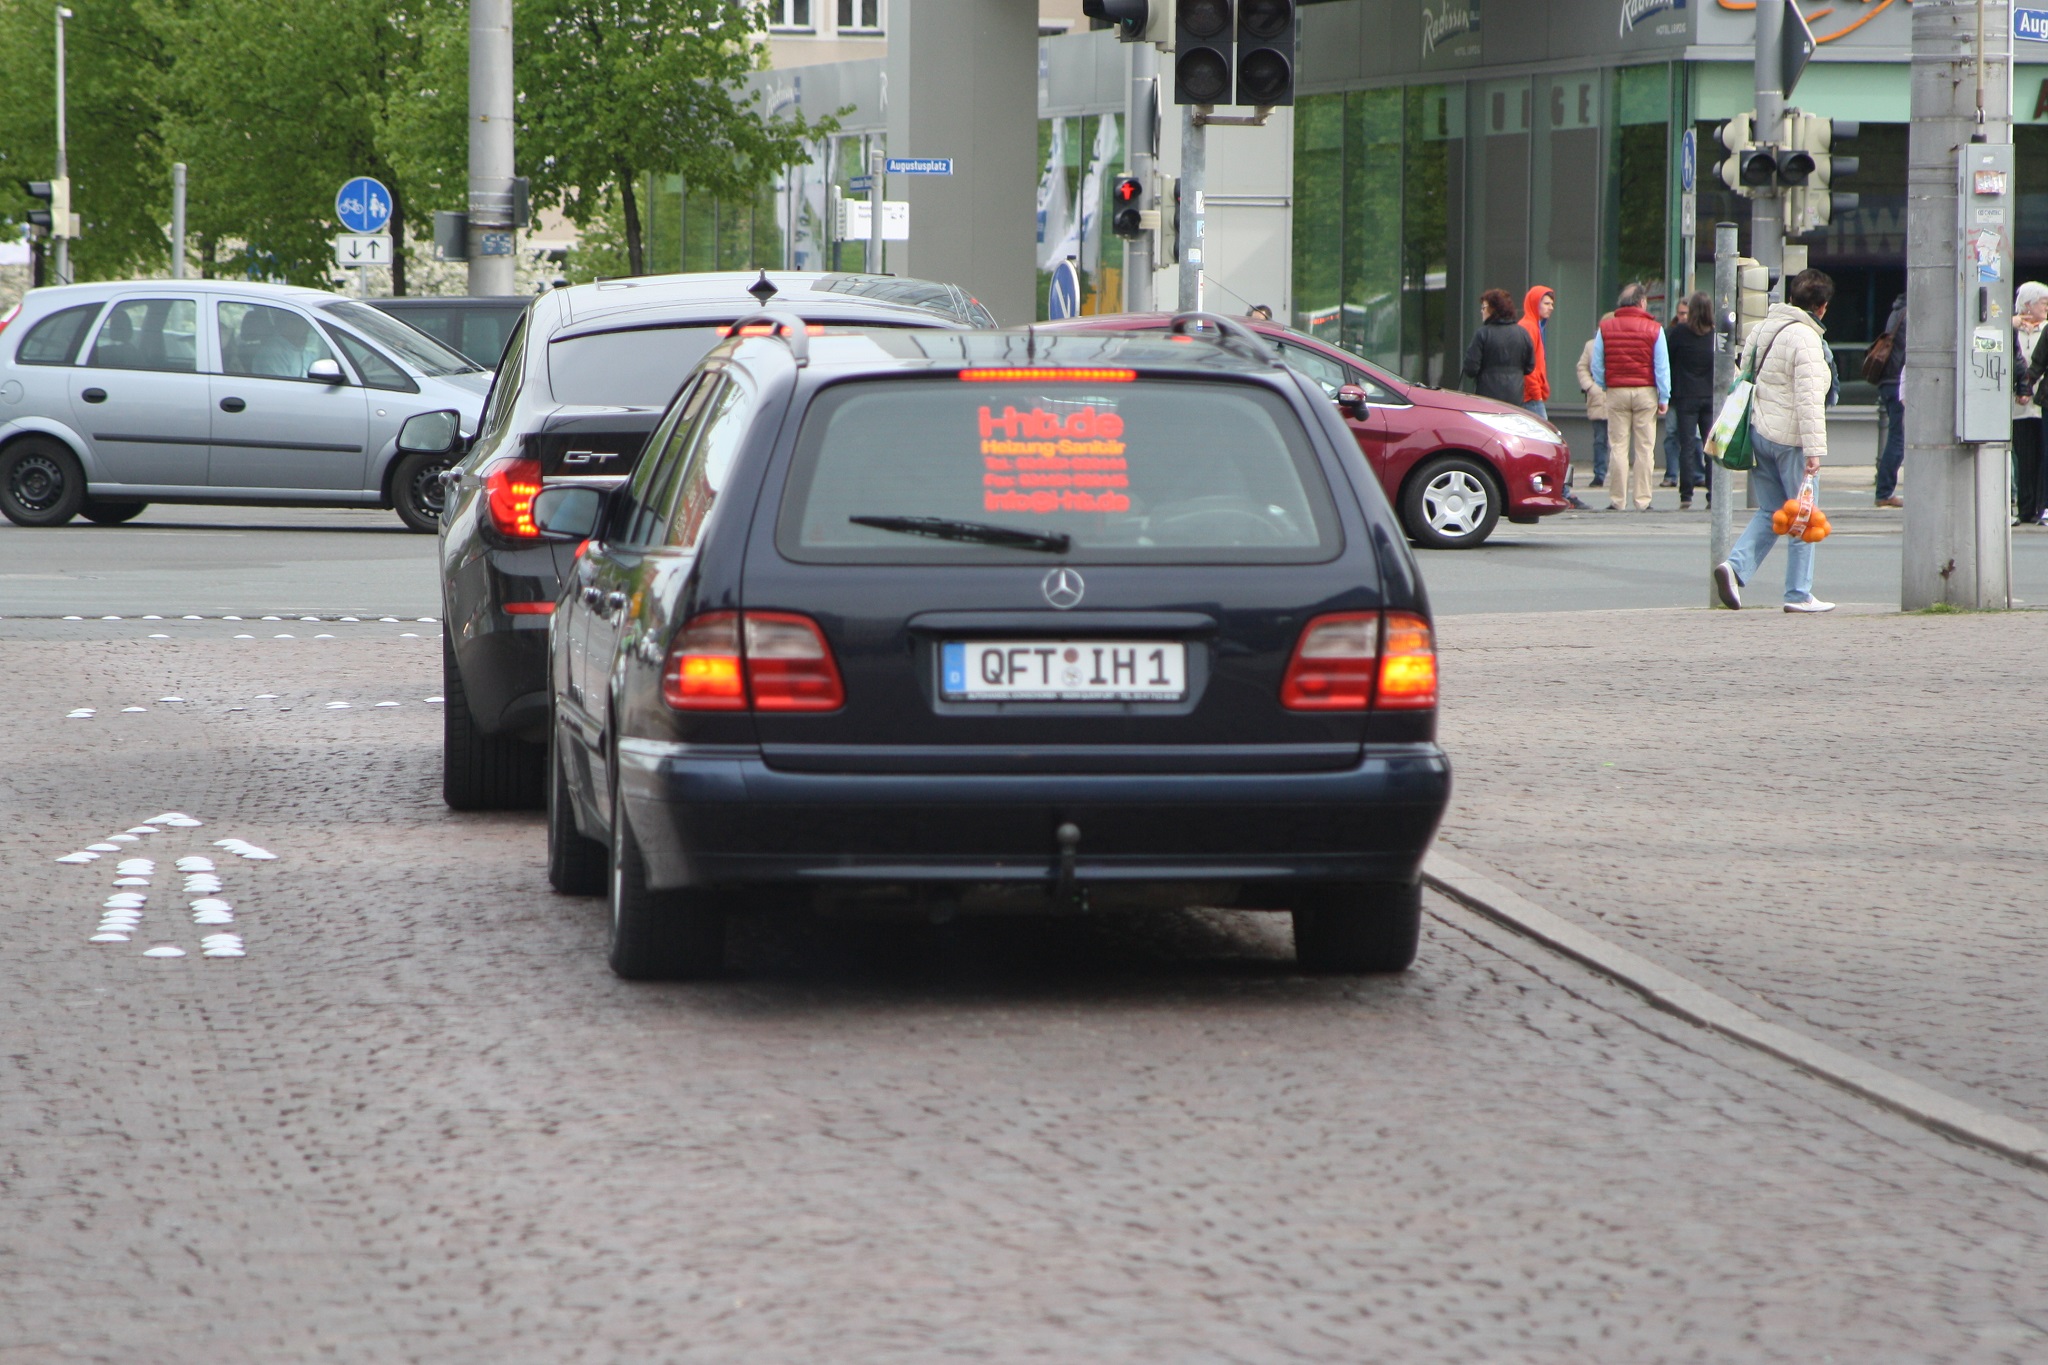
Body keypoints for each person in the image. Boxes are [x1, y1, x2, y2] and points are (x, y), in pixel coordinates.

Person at [1712, 268, 1838, 614]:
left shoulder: (1762, 328)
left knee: (1771, 510)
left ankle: (1734, 568)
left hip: (1759, 433)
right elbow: (1809, 399)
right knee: (1803, 514)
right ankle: (1798, 594)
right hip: (1791, 439)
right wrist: (1815, 451)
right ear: (1822, 307)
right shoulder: (1807, 339)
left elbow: (1743, 375)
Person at [1589, 283, 1669, 511]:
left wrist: (1606, 384)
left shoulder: (1605, 328)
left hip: (1617, 392)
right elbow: (1661, 367)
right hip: (1646, 392)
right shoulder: (1654, 329)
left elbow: (1597, 365)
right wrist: (1664, 397)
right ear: (1642, 302)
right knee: (1644, 448)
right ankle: (1643, 501)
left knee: (1618, 447)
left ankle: (1618, 500)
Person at [1666, 292, 1716, 511]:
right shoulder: (1715, 335)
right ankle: (1713, 493)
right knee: (1711, 447)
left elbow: (1670, 358)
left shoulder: (1679, 333)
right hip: (1710, 396)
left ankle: (1686, 495)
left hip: (1685, 395)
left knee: (1686, 445)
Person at [2012, 282, 2048, 525]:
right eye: (2042, 302)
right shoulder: (2012, 330)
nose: (2046, 307)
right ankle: (2025, 508)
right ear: (2027, 305)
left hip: (2041, 404)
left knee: (2043, 457)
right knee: (2024, 458)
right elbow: (2029, 365)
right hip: (2020, 406)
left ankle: (2041, 506)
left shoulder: (2045, 329)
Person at [1462, 288, 1535, 405]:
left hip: (1487, 397)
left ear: (1494, 309)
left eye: (1484, 307)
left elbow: (1470, 368)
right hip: (1515, 397)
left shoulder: (1483, 333)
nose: (1481, 311)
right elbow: (1530, 367)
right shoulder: (1523, 333)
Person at [1875, 293, 1906, 507]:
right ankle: (1885, 491)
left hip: (1888, 379)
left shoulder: (1898, 311)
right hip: (1899, 381)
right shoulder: (1912, 313)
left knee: (1896, 436)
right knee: (1898, 437)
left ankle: (1885, 490)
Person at [1576, 315, 1612, 487]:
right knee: (1599, 439)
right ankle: (1599, 474)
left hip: (1616, 398)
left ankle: (1616, 474)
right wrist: (1590, 386)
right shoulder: (1591, 346)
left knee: (1617, 440)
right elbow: (1582, 367)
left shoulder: (1618, 344)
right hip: (1598, 398)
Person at [1518, 285, 1555, 419]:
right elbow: (1527, 364)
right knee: (1544, 436)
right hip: (1530, 396)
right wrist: (1536, 393)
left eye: (1551, 304)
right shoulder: (1529, 326)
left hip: (1531, 394)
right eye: (1546, 303)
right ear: (1534, 303)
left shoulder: (1535, 326)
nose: (1551, 307)